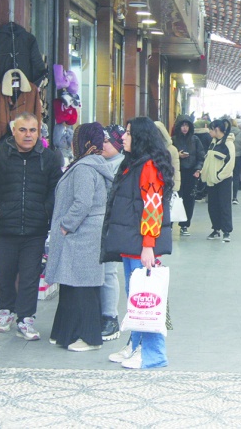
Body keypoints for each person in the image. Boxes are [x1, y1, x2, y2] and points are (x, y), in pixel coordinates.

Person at [0, 112, 62, 340]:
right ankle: (5, 311)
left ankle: (25, 319)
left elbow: (57, 188)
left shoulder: (49, 158)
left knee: (30, 275)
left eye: (32, 130)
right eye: (23, 130)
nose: (28, 135)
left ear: (38, 132)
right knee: (4, 272)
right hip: (5, 227)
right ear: (13, 131)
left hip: (35, 229)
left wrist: (45, 210)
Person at [101, 116, 174, 369]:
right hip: (132, 242)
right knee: (136, 297)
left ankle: (153, 353)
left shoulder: (149, 166)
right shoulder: (134, 163)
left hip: (141, 245)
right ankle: (136, 345)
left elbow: (153, 208)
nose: (123, 137)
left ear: (141, 137)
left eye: (129, 134)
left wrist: (148, 245)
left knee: (146, 298)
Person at [46, 123, 114, 352]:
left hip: (82, 233)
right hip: (85, 233)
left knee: (82, 287)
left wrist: (65, 226)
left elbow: (82, 202)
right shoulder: (91, 164)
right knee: (72, 284)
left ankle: (88, 337)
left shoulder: (85, 167)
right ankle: (65, 332)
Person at [97, 124, 126, 341]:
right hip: (96, 225)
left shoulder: (122, 167)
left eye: (107, 141)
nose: (102, 145)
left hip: (112, 226)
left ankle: (110, 316)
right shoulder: (100, 163)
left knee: (108, 272)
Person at [201, 119, 236, 241]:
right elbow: (208, 160)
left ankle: (226, 231)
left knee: (224, 205)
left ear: (216, 129)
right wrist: (204, 175)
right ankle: (216, 229)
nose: (209, 131)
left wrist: (219, 176)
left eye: (210, 129)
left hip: (223, 180)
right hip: (211, 180)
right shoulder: (213, 142)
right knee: (213, 205)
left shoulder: (228, 143)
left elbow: (230, 163)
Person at [172, 117, 205, 236]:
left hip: (191, 173)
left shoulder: (195, 140)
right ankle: (170, 224)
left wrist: (198, 169)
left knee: (189, 200)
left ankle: (185, 225)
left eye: (187, 125)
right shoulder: (174, 140)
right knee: (174, 198)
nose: (185, 128)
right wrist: (177, 155)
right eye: (182, 125)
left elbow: (201, 157)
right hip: (177, 173)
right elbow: (169, 155)